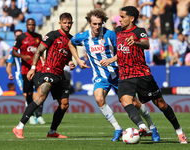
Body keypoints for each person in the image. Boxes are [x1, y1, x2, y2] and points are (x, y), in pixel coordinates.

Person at [68, 8, 160, 142]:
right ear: (89, 23)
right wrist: (78, 59)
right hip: (101, 76)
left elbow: (123, 51)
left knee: (134, 102)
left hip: (119, 74)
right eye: (94, 24)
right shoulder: (83, 36)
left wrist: (111, 60)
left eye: (100, 24)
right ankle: (117, 128)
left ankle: (152, 126)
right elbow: (70, 43)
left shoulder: (110, 34)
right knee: (99, 99)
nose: (97, 27)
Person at [115, 6, 187, 143]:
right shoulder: (117, 31)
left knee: (161, 105)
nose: (120, 19)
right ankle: (142, 127)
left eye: (122, 16)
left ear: (131, 18)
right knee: (125, 101)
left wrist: (135, 42)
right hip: (125, 75)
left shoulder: (139, 31)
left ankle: (179, 131)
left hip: (142, 74)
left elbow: (146, 44)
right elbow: (119, 53)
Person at [12, 12, 75, 139]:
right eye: (65, 22)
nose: (67, 25)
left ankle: (52, 132)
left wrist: (70, 62)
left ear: (72, 23)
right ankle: (19, 127)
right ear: (60, 23)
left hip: (60, 75)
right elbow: (39, 51)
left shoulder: (71, 39)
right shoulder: (52, 35)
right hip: (48, 71)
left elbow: (68, 57)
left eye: (69, 23)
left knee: (64, 104)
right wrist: (33, 68)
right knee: (40, 98)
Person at [6, 29, 45, 124]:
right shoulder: (13, 51)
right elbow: (9, 65)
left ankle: (39, 115)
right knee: (27, 95)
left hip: (34, 73)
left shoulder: (30, 46)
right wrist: (9, 73)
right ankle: (31, 116)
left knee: (38, 95)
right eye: (16, 36)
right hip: (21, 75)